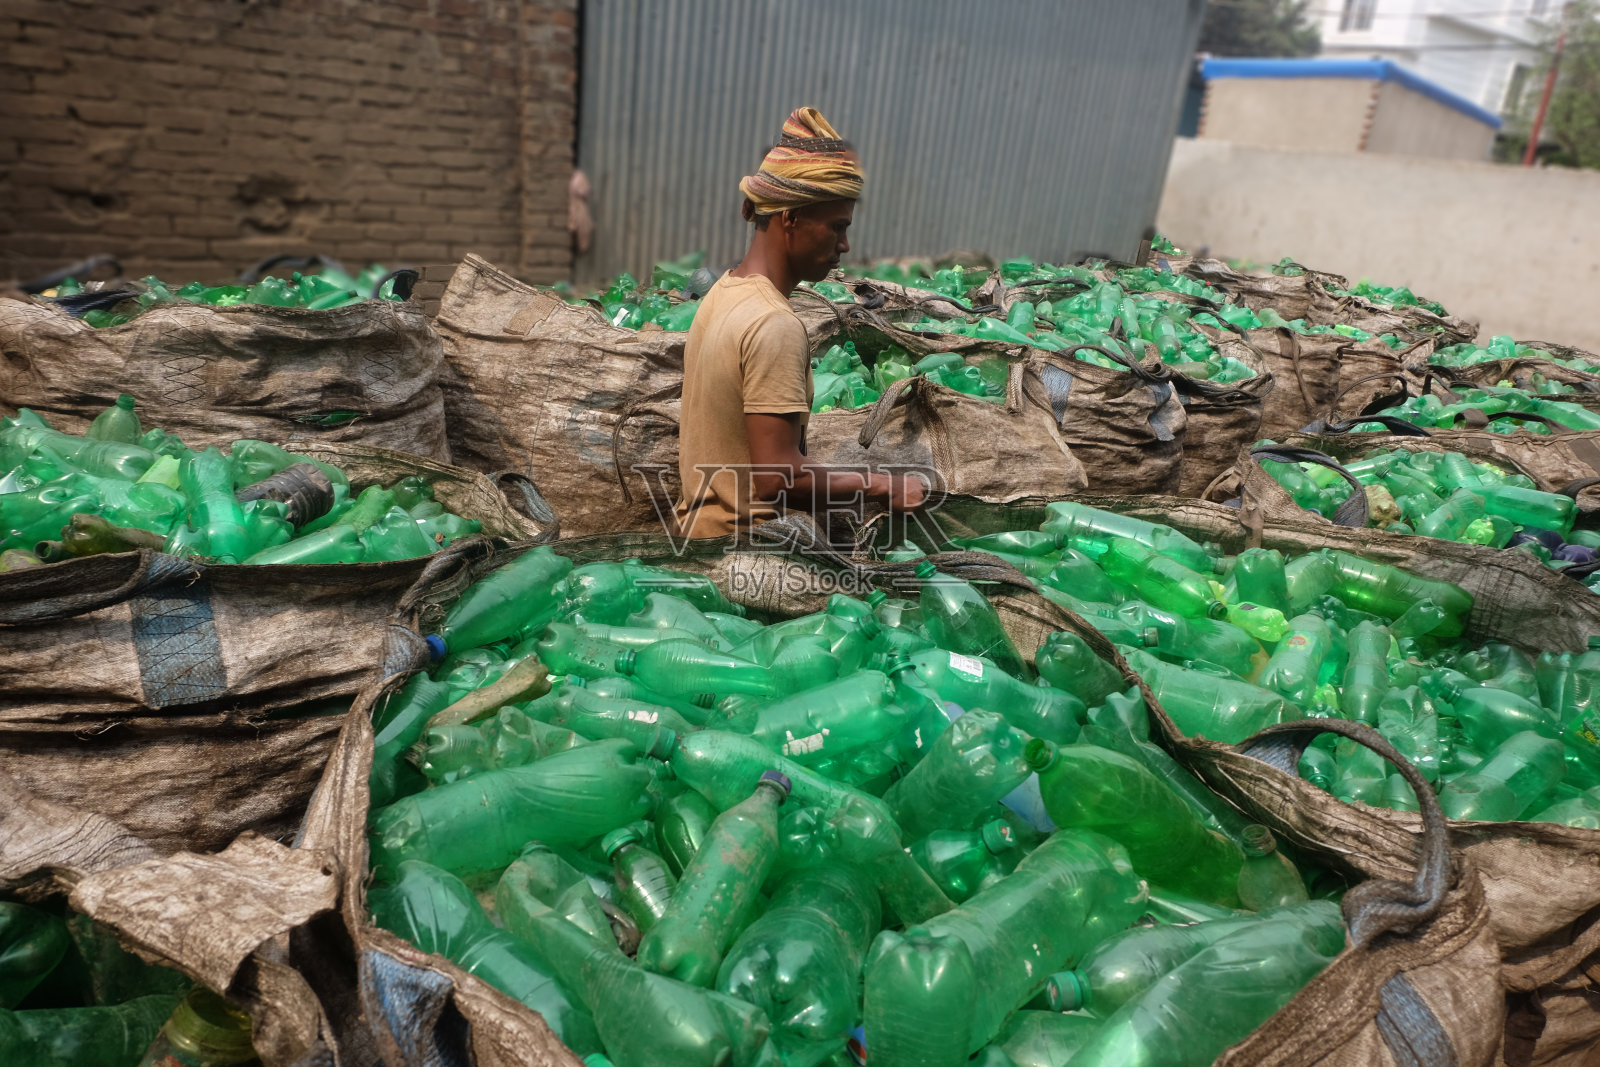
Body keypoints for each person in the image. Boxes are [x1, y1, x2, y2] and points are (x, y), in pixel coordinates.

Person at [674, 106, 926, 540]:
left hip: (696, 534)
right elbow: (778, 479)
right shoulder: (774, 324)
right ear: (790, 218)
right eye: (837, 227)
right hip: (746, 547)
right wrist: (882, 485)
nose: (845, 244)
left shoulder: (724, 292)